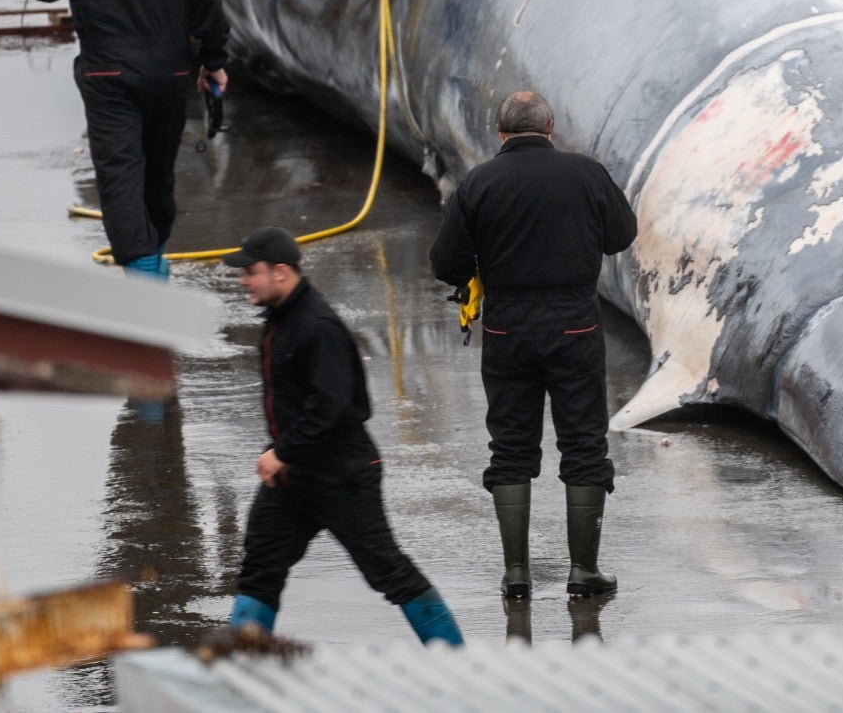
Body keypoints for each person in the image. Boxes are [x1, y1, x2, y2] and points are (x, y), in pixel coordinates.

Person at [428, 90, 637, 599]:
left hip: (507, 331)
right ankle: (583, 572)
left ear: (500, 134)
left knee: (512, 447)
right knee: (584, 444)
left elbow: (445, 264)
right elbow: (621, 234)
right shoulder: (586, 174)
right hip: (575, 330)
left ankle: (516, 573)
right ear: (550, 128)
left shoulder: (477, 183)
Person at [223, 227, 463, 646]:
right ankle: (238, 669)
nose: (244, 280)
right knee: (260, 568)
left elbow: (331, 405)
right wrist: (281, 450)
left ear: (281, 272)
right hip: (292, 477)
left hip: (343, 475)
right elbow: (294, 402)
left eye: (251, 271)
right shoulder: (282, 320)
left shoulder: (317, 325)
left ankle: (458, 660)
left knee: (387, 571)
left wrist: (283, 449)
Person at [23, 0, 229, 277]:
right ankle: (152, 256)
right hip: (169, 75)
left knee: (121, 173)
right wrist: (213, 60)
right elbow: (207, 1)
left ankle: (144, 272)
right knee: (157, 172)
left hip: (108, 76)